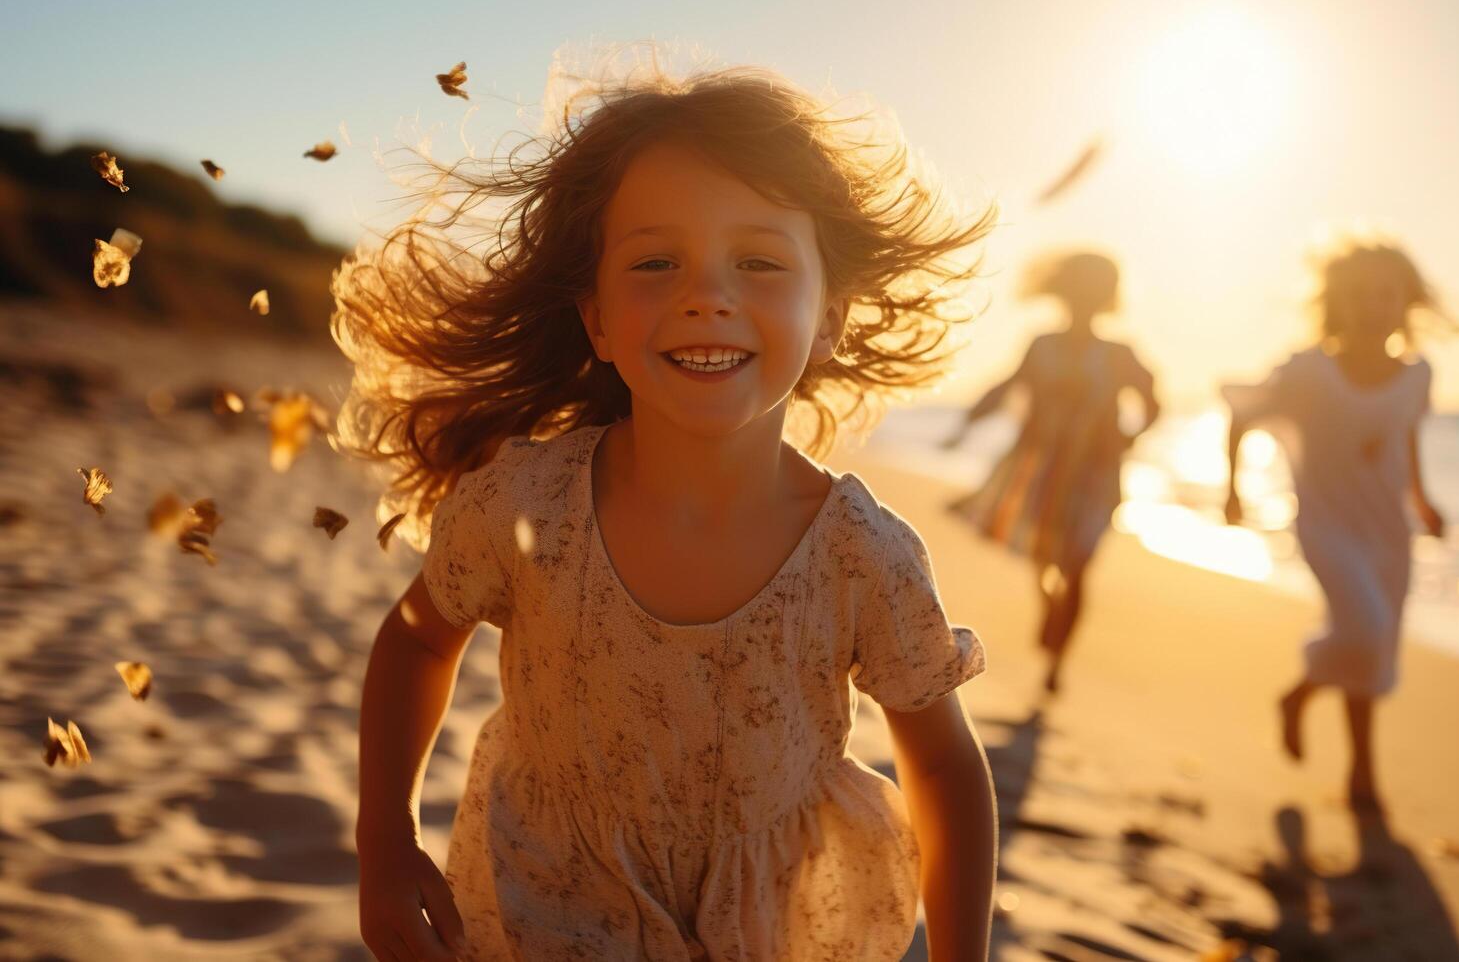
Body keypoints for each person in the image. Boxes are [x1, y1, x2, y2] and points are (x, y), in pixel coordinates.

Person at [336, 59, 999, 961]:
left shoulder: (860, 556)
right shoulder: (527, 506)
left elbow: (941, 762)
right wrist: (384, 840)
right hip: (548, 915)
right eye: (656, 261)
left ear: (831, 315)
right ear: (599, 317)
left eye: (759, 261)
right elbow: (418, 638)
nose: (707, 294)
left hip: (769, 930)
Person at [1222, 238, 1447, 814]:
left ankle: (1361, 769)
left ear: (1406, 303)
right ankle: (1300, 695)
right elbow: (1243, 417)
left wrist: (1423, 501)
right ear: (1335, 303)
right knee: (1365, 631)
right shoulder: (1309, 370)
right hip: (1327, 526)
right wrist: (1231, 488)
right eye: (1357, 295)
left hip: (1388, 533)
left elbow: (1407, 437)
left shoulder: (1418, 375)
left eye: (1384, 294)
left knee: (1372, 654)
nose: (1372, 306)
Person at [941, 252, 1159, 693]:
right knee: (1044, 556)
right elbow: (1007, 387)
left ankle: (1056, 662)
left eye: (1094, 290)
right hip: (1039, 472)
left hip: (1095, 476)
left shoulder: (1119, 354)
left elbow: (1154, 402)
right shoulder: (1042, 344)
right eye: (1079, 288)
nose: (1084, 299)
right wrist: (965, 424)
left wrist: (1129, 438)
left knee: (1078, 565)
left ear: (1106, 298)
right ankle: (1049, 608)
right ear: (1064, 292)